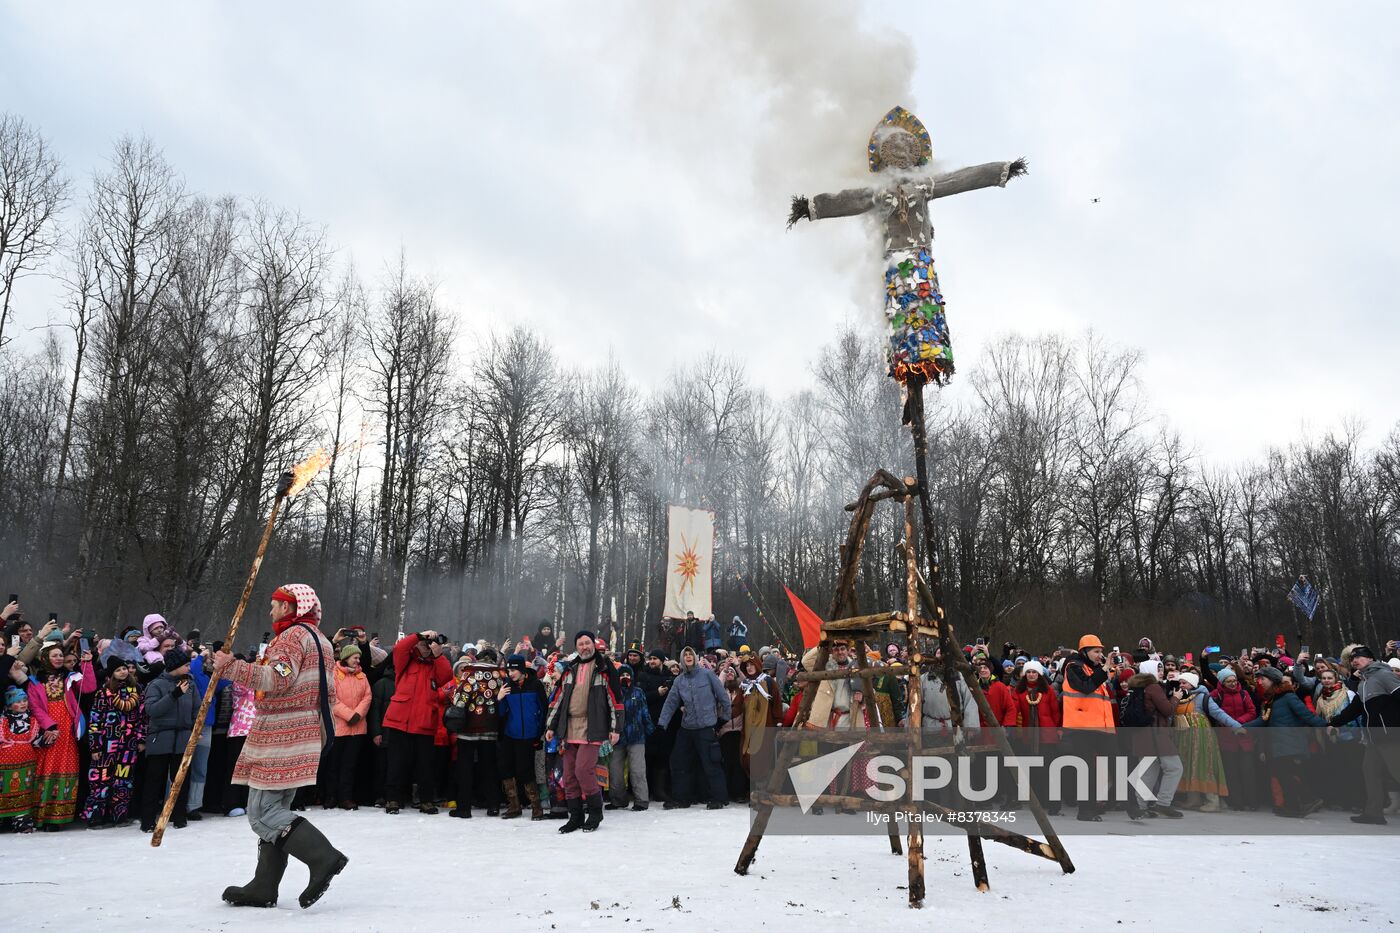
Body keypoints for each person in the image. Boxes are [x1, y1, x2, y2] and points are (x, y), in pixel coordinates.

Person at [215, 583, 348, 910]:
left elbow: (277, 678)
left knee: (263, 813)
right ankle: (264, 885)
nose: (271, 610)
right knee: (275, 808)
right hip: (305, 728)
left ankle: (323, 858)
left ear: (291, 609)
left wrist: (231, 667)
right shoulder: (321, 640)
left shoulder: (292, 637)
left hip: (283, 731)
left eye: (276, 605)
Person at [544, 631, 621, 833]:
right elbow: (557, 700)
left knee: (583, 770)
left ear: (593, 645)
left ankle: (595, 812)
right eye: (581, 644)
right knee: (568, 774)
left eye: (588, 643)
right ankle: (575, 816)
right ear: (576, 647)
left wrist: (615, 728)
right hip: (569, 727)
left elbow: (615, 700)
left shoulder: (604, 668)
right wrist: (551, 726)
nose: (584, 647)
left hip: (593, 726)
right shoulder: (570, 669)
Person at [381, 629, 452, 814]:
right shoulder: (406, 660)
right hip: (400, 720)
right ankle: (392, 799)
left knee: (425, 765)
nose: (426, 646)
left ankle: (426, 800)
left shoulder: (435, 664)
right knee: (396, 763)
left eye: (430, 644)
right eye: (423, 643)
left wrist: (438, 656)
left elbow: (446, 677)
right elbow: (400, 648)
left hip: (424, 722)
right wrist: (419, 635)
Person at [1329, 645, 1400, 824]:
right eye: (1352, 659)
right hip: (1374, 737)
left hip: (1390, 735)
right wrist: (1333, 722)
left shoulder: (1383, 675)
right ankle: (1374, 813)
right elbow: (1356, 709)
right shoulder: (1363, 682)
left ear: (1370, 658)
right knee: (1370, 772)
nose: (1354, 661)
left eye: (1358, 657)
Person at [1243, 666, 1327, 817]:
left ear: (1272, 680)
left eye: (1263, 678)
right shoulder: (1271, 699)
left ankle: (1307, 800)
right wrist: (1243, 727)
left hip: (1290, 743)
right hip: (1278, 744)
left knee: (1286, 774)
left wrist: (1326, 726)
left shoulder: (1288, 697)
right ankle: (1297, 805)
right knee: (1285, 774)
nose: (1259, 682)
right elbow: (1263, 720)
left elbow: (1306, 715)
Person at [658, 645, 731, 810]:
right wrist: (662, 724)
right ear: (682, 659)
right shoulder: (679, 680)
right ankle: (681, 798)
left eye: (691, 654)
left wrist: (723, 719)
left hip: (706, 727)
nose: (688, 657)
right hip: (687, 727)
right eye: (685, 655)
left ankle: (719, 798)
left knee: (711, 763)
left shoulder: (707, 675)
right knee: (679, 762)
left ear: (695, 658)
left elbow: (723, 697)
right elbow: (671, 703)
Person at [33, 639, 94, 830]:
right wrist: (48, 725)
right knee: (45, 767)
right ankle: (39, 815)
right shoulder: (35, 680)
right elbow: (35, 706)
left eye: (61, 655)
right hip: (48, 728)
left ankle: (58, 817)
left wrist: (87, 664)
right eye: (55, 655)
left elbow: (89, 688)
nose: (59, 658)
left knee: (65, 766)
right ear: (45, 658)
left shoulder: (70, 677)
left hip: (67, 727)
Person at [81, 656, 144, 828]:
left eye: (124, 668)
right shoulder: (103, 693)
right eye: (118, 670)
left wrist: (141, 738)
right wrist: (95, 745)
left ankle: (120, 814)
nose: (123, 672)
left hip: (128, 745)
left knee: (123, 781)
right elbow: (95, 720)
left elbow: (142, 717)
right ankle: (95, 816)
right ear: (111, 675)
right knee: (100, 781)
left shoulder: (137, 690)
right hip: (105, 745)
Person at [140, 647, 196, 832]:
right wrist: (174, 695)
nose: (189, 668)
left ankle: (179, 815)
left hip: (183, 737)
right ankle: (147, 819)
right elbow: (152, 710)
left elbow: (197, 707)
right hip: (160, 737)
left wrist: (195, 728)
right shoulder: (156, 685)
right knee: (155, 779)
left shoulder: (191, 684)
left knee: (180, 780)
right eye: (186, 665)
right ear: (176, 666)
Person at [1061, 634, 1116, 821]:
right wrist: (1104, 669)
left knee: (1107, 766)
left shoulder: (1092, 668)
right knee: (1087, 770)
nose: (1099, 655)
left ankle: (1093, 807)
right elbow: (1086, 686)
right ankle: (1086, 810)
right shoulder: (1073, 667)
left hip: (1098, 728)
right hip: (1080, 728)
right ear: (1084, 651)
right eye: (1096, 651)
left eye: (1101, 651)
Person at [1172, 670, 1242, 811]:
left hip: (1201, 738)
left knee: (1204, 766)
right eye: (1180, 683)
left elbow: (1218, 713)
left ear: (1192, 684)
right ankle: (1193, 799)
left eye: (1184, 683)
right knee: (1189, 767)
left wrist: (1236, 726)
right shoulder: (1178, 697)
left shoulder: (1202, 697)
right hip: (1184, 738)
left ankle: (1213, 800)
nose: (1181, 685)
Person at [444, 650, 502, 818]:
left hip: (468, 728)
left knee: (465, 768)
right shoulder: (499, 674)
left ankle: (464, 808)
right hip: (490, 727)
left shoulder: (470, 672)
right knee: (489, 768)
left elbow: (460, 699)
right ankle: (493, 805)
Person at [498, 653, 547, 819]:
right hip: (510, 734)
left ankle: (536, 807)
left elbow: (543, 709)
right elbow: (501, 713)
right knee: (506, 768)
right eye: (509, 670)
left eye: (514, 670)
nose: (511, 673)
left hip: (528, 735)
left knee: (525, 771)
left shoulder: (535, 685)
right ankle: (513, 806)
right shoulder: (507, 685)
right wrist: (500, 698)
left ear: (521, 669)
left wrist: (539, 732)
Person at [1011, 660, 1062, 814]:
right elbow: (1014, 710)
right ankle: (1040, 800)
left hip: (1047, 735)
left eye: (1034, 672)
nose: (1031, 675)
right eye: (1028, 672)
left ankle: (1054, 803)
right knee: (1035, 770)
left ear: (1039, 674)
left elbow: (1055, 712)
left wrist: (1058, 728)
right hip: (1029, 736)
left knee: (1049, 769)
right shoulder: (1019, 692)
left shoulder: (1048, 690)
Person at [324, 643, 370, 810]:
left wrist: (357, 714)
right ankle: (331, 796)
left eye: (358, 658)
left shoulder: (362, 676)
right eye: (355, 657)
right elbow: (332, 698)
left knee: (349, 766)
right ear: (346, 658)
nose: (358, 660)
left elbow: (367, 697)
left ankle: (346, 797)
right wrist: (349, 715)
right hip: (338, 727)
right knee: (334, 765)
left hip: (357, 728)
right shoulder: (334, 675)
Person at [1210, 665, 1259, 810]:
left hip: (1243, 737)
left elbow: (1252, 711)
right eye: (1229, 681)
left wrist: (1238, 723)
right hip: (1226, 738)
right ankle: (1237, 802)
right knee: (1232, 772)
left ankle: (1252, 802)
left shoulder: (1244, 693)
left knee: (1248, 772)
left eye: (1234, 680)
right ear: (1222, 682)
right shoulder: (1215, 695)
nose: (1233, 683)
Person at [609, 663, 654, 810]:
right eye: (622, 675)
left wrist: (650, 729)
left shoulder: (638, 692)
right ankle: (618, 800)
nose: (624, 677)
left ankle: (641, 801)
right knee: (615, 772)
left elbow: (645, 712)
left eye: (627, 675)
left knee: (637, 770)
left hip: (636, 736)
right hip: (617, 737)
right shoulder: (612, 693)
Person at [0, 684, 39, 833]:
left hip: (26, 762)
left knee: (23, 790)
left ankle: (21, 820)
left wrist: (48, 738)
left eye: (24, 700)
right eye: (18, 701)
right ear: (10, 705)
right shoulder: (3, 721)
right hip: (5, 762)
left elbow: (36, 740)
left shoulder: (32, 721)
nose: (23, 703)